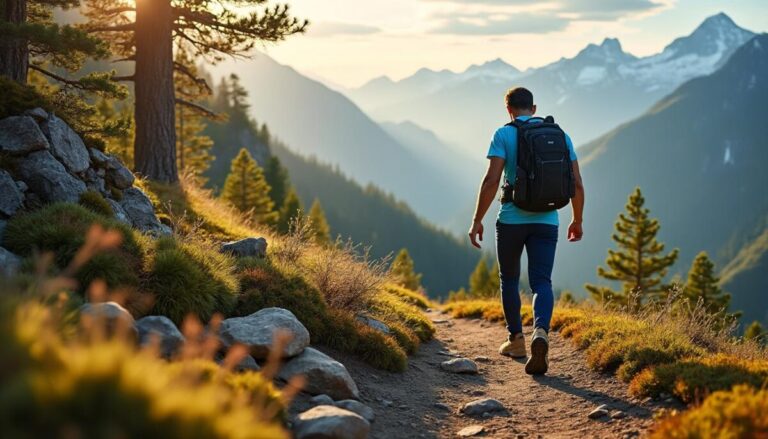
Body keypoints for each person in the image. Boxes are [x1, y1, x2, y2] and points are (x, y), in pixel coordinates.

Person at [468, 87, 585, 375]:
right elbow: (577, 183)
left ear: (508, 109)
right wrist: (577, 219)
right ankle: (541, 332)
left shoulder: (503, 134)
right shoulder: (561, 135)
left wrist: (477, 219)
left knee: (508, 279)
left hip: (510, 220)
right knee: (541, 282)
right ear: (534, 108)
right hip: (547, 221)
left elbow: (491, 180)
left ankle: (516, 340)